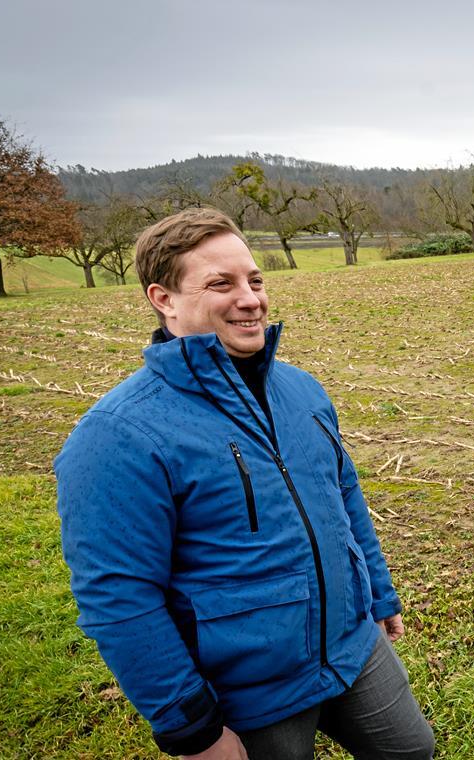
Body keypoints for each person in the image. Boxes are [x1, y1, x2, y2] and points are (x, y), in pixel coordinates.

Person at [55, 208, 434, 760]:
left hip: (353, 644)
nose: (251, 298)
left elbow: (343, 496)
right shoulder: (118, 435)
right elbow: (117, 597)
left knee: (411, 752)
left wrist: (376, 589)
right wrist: (194, 731)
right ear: (163, 299)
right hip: (249, 691)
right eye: (221, 283)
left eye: (254, 280)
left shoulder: (301, 391)